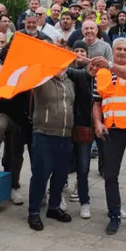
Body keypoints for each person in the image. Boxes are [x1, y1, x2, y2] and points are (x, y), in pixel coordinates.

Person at [92, 38, 126, 235]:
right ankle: (114, 214)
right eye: (118, 49)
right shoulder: (102, 73)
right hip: (112, 130)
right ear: (112, 50)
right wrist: (98, 123)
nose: (122, 52)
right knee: (110, 175)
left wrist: (109, 64)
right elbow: (97, 102)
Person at [0, 42, 32, 205]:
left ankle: (14, 187)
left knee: (15, 155)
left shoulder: (28, 74)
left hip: (21, 120)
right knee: (0, 127)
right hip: (0, 115)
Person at [27, 60, 78, 231]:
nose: (61, 67)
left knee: (60, 174)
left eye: (64, 64)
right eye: (58, 62)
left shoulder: (70, 82)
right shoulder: (42, 80)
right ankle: (33, 212)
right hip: (44, 134)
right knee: (40, 175)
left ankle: (54, 207)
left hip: (65, 135)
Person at [65, 42, 96, 219]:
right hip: (65, 124)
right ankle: (59, 194)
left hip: (84, 125)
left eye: (82, 51)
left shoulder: (92, 71)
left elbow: (82, 75)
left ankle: (85, 202)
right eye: (76, 50)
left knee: (83, 167)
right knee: (62, 163)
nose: (79, 54)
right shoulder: (66, 69)